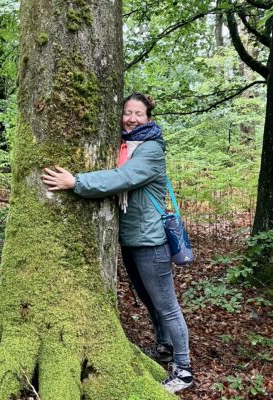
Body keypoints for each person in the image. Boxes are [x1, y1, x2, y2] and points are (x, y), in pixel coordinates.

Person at [41, 93, 194, 393]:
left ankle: (184, 369)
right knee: (151, 302)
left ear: (148, 118)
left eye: (138, 113)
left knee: (167, 305)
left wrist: (77, 183)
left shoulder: (150, 150)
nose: (132, 118)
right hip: (131, 240)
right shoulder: (124, 147)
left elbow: (121, 178)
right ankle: (164, 348)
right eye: (127, 112)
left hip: (151, 242)